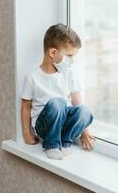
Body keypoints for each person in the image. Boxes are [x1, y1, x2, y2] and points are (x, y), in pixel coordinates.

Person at [21, 23, 96, 160]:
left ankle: (65, 143)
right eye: (69, 55)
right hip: (45, 127)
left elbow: (78, 103)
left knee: (86, 111)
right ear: (53, 53)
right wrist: (27, 133)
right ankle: (51, 145)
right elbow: (26, 107)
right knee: (58, 103)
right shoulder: (32, 77)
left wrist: (85, 130)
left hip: (63, 125)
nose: (72, 61)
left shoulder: (69, 74)